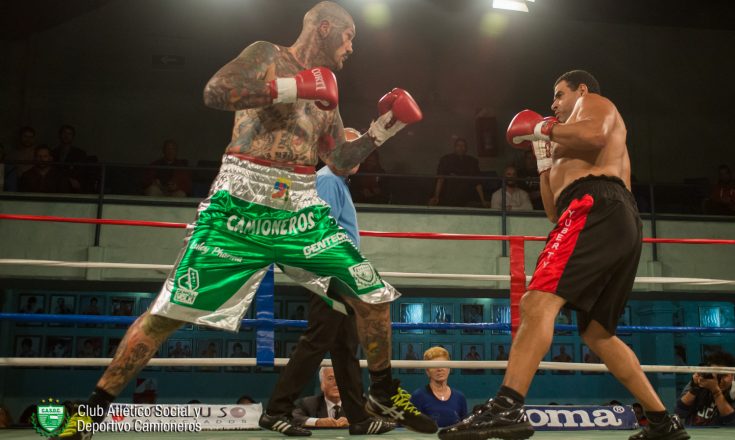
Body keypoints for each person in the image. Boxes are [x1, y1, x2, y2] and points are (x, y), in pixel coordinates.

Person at [57, 3, 436, 439]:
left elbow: (338, 159)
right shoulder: (268, 55)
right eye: (349, 36)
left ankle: (383, 392)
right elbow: (217, 91)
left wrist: (382, 129)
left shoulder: (328, 92)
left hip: (300, 210)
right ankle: (89, 414)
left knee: (373, 295)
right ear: (325, 28)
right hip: (240, 202)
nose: (351, 47)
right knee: (166, 315)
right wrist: (294, 87)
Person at [439, 70, 689, 440]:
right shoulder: (561, 142)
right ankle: (661, 421)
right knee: (597, 333)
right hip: (604, 215)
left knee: (537, 301)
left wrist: (543, 128)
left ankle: (506, 407)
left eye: (559, 94)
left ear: (580, 90)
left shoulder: (594, 104)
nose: (553, 103)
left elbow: (594, 135)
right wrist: (543, 157)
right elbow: (554, 210)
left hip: (596, 205)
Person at [262, 128, 394, 436]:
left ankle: (359, 418)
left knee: (345, 347)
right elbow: (321, 235)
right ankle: (276, 411)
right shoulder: (328, 181)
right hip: (333, 274)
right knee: (317, 341)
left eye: (359, 150)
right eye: (349, 148)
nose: (356, 155)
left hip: (341, 274)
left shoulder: (336, 181)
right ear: (331, 152)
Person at [411, 346, 468, 428]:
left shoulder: (460, 397)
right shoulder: (418, 396)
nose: (439, 369)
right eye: (434, 366)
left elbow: (465, 428)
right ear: (427, 371)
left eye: (443, 365)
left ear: (449, 368)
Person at [675, 350, 735, 426]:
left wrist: (716, 392)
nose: (719, 380)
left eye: (724, 375)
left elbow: (732, 422)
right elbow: (679, 412)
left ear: (733, 375)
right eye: (716, 375)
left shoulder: (733, 392)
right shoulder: (701, 382)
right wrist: (695, 388)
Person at [428, 138, 489, 207]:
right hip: (449, 196)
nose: (460, 148)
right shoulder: (446, 159)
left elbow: (477, 182)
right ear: (454, 147)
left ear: (466, 148)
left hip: (467, 196)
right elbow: (440, 179)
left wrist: (483, 200)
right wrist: (436, 196)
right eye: (458, 145)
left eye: (463, 146)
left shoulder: (472, 161)